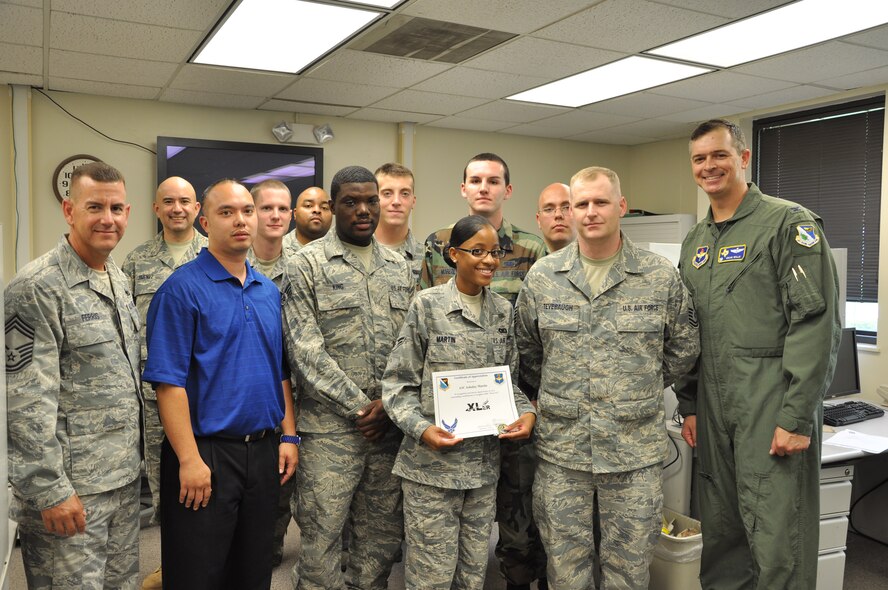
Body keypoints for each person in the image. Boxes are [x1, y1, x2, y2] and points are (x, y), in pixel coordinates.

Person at [675, 119, 841, 589]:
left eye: (720, 155)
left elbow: (815, 323)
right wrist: (689, 403)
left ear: (743, 158)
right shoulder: (696, 241)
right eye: (700, 158)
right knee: (723, 535)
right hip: (712, 409)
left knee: (778, 539)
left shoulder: (788, 224)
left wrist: (796, 415)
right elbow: (689, 332)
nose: (709, 166)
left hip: (769, 404)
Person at [515, 166, 699, 590]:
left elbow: (684, 348)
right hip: (564, 453)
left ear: (621, 207)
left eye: (600, 202)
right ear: (572, 211)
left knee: (630, 571)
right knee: (565, 570)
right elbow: (526, 353)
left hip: (633, 454)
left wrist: (637, 385)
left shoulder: (658, 275)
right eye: (581, 204)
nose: (591, 212)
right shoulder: (543, 277)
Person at [142, 179, 298, 590]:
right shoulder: (181, 290)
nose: (241, 220)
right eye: (227, 213)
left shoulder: (267, 291)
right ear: (205, 222)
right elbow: (168, 385)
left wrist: (289, 436)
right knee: (198, 573)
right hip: (205, 454)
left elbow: (277, 369)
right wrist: (191, 461)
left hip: (263, 453)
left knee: (253, 570)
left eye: (248, 210)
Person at [5, 161, 142, 589]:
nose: (108, 218)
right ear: (69, 211)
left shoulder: (116, 278)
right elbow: (24, 400)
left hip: (119, 480)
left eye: (117, 208)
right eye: (94, 207)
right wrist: (50, 491)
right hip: (71, 491)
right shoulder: (36, 287)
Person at [383, 215, 537, 590]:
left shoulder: (503, 311)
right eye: (477, 251)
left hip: (483, 471)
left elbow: (509, 383)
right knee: (430, 578)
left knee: (471, 576)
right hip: (432, 471)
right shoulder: (427, 306)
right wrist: (423, 430)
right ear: (453, 255)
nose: (489, 260)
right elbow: (396, 386)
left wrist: (527, 413)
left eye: (495, 252)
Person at [281, 166, 414, 590]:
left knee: (379, 541)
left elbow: (412, 348)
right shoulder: (305, 265)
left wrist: (389, 407)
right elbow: (305, 351)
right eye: (351, 202)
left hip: (387, 430)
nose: (363, 210)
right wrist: (362, 407)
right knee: (321, 539)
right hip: (330, 433)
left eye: (370, 201)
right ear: (334, 207)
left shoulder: (400, 267)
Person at [421, 152, 548, 589]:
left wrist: (526, 403)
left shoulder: (531, 248)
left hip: (510, 398)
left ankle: (516, 577)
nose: (483, 187)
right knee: (448, 525)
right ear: (463, 187)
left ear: (506, 189)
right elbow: (426, 326)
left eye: (493, 181)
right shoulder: (436, 242)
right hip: (451, 405)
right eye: (474, 179)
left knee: (514, 503)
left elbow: (531, 329)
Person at [246, 179, 303, 567]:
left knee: (294, 483)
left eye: (283, 209)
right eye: (267, 208)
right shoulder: (231, 260)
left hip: (301, 391)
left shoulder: (305, 264)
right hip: (254, 393)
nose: (276, 216)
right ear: (252, 212)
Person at [374, 162, 423, 284]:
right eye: (387, 193)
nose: (396, 201)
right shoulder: (358, 253)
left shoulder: (428, 258)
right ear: (374, 200)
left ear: (413, 201)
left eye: (405, 194)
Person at [282, 186, 332, 255]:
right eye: (308, 206)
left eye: (324, 207)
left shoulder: (342, 250)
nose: (317, 210)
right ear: (295, 214)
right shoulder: (276, 250)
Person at [536, 182, 574, 252]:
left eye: (566, 207)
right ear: (538, 220)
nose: (558, 215)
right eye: (549, 209)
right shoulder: (529, 260)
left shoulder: (596, 260)